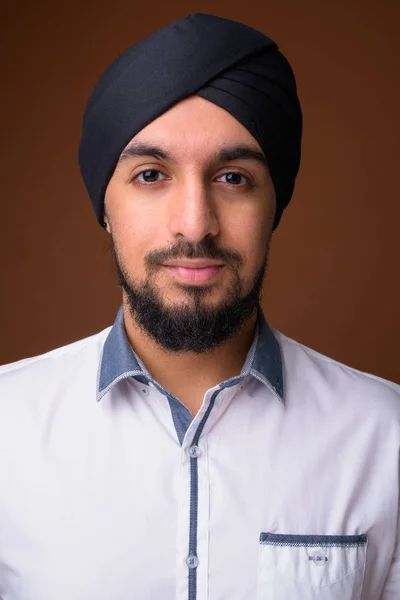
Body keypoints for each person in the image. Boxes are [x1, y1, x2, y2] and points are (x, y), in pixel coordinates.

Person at [0, 12, 398, 600]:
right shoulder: (9, 429)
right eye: (152, 174)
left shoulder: (386, 437)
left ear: (274, 206)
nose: (196, 224)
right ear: (105, 207)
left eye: (233, 178)